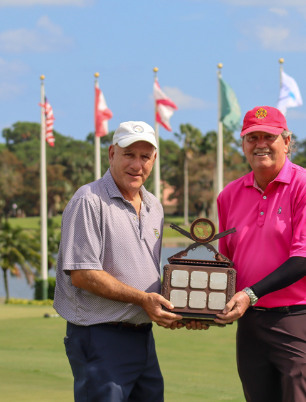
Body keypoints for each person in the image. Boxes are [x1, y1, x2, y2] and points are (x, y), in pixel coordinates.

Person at [53, 121, 200, 402]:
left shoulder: (154, 205)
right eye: (129, 154)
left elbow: (147, 273)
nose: (137, 164)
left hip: (143, 337)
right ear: (111, 154)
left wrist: (181, 310)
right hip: (99, 338)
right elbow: (83, 274)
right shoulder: (89, 200)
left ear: (154, 160)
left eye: (145, 157)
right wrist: (144, 300)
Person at [215, 106, 306, 402]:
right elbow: (228, 266)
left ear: (286, 141)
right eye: (252, 137)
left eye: (268, 136)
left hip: (301, 318)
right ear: (243, 143)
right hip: (252, 322)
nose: (260, 144)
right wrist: (197, 310)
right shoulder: (229, 195)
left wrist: (249, 294)